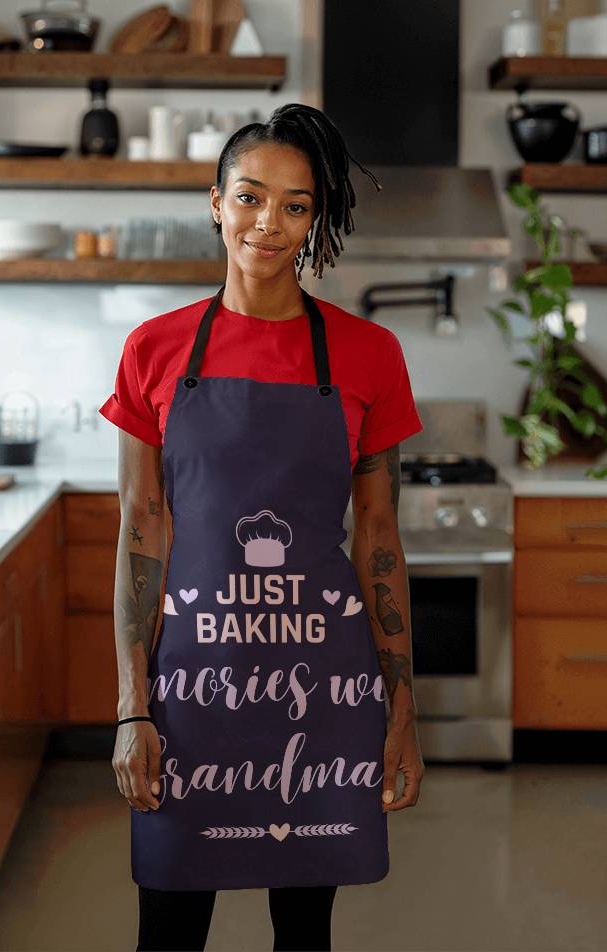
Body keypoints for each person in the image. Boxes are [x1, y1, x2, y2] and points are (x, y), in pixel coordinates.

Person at [99, 102, 425, 952]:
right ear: (215, 202)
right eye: (250, 197)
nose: (268, 225)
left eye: (295, 205)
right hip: (190, 691)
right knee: (168, 925)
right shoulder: (153, 350)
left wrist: (400, 710)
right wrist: (135, 708)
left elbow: (380, 540)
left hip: (322, 689)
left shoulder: (368, 355)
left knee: (304, 933)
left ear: (316, 219)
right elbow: (142, 529)